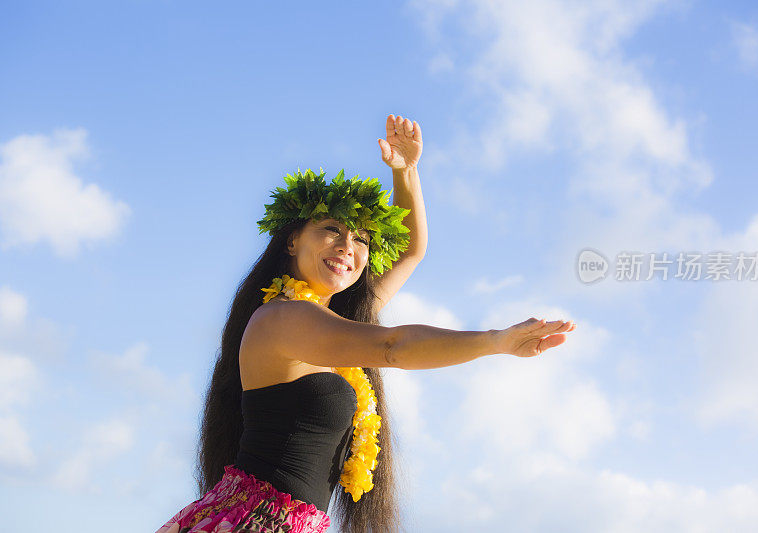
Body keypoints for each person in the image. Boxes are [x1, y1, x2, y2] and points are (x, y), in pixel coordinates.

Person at [155, 115, 576, 533]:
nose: (346, 247)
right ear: (291, 240)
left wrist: (406, 171)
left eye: (361, 239)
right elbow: (390, 347)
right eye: (331, 229)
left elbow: (410, 251)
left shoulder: (336, 323)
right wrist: (496, 341)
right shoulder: (282, 317)